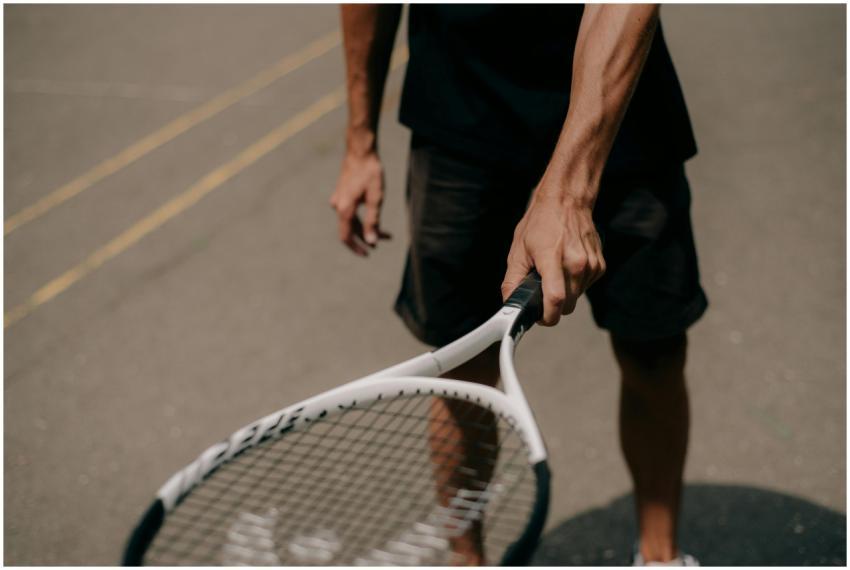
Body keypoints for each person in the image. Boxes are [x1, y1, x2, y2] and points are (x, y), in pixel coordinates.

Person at [331, 4, 707, 566]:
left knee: (654, 351)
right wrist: (360, 140)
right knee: (463, 374)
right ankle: (468, 561)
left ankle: (659, 557)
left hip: (622, 108)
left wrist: (567, 192)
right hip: (459, 114)